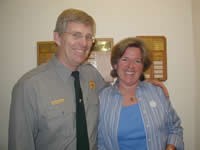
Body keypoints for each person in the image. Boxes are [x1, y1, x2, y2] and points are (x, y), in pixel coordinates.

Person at [8, 8, 106, 150]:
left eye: (88, 37)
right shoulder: (29, 86)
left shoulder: (93, 76)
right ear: (57, 38)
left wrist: (142, 85)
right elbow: (20, 144)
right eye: (76, 35)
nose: (84, 43)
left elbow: (115, 96)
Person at [98, 37, 184, 150]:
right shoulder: (102, 98)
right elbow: (99, 141)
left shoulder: (157, 92)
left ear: (143, 67)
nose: (131, 66)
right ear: (115, 64)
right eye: (125, 59)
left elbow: (175, 128)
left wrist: (170, 148)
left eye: (137, 61)